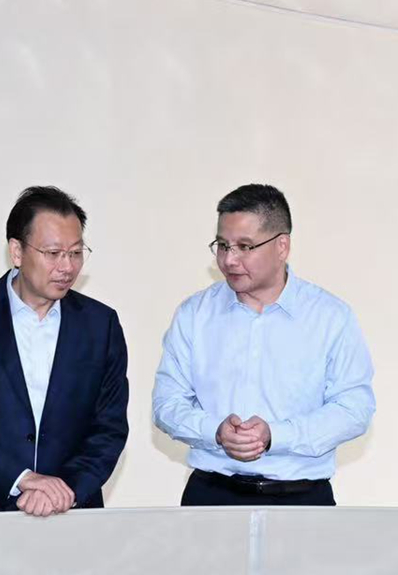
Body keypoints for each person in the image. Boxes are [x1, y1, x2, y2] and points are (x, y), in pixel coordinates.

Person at [153, 184, 374, 506]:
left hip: (302, 499)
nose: (229, 260)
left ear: (282, 246)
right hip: (211, 495)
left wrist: (276, 435)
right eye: (222, 245)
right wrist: (215, 431)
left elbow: (354, 409)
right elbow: (167, 403)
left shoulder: (330, 317)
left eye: (245, 246)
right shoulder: (194, 314)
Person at [0, 187, 129, 516]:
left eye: (76, 253)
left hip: (71, 514)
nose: (67, 266)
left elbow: (109, 428)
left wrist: (66, 489)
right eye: (53, 253)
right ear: (17, 251)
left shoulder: (100, 325)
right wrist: (21, 479)